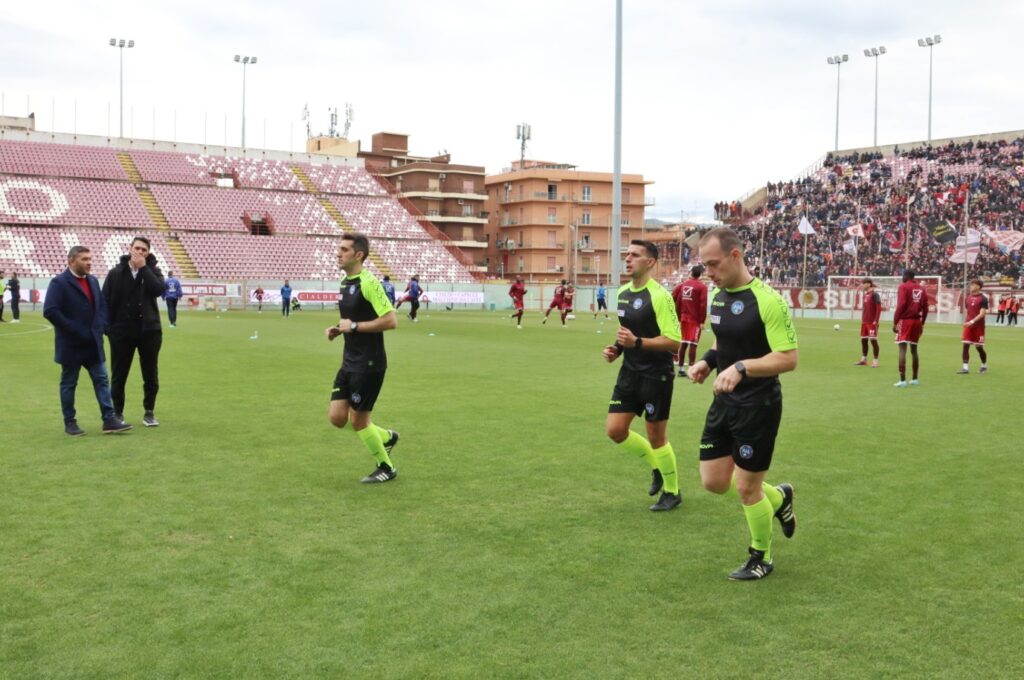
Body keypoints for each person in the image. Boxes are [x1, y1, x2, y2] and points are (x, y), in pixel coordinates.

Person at [686, 227, 798, 581]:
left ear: (735, 256)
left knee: (747, 488)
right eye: (704, 265)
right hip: (724, 402)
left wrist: (741, 367)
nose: (708, 272)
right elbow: (723, 340)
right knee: (714, 482)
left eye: (713, 264)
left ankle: (761, 557)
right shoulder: (718, 297)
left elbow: (788, 358)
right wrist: (707, 362)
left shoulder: (768, 301)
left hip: (758, 405)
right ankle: (779, 499)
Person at [603, 240, 683, 512]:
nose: (627, 259)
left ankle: (672, 492)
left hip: (656, 375)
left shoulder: (660, 296)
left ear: (650, 262)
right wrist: (617, 349)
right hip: (629, 372)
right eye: (627, 254)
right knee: (615, 430)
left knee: (656, 437)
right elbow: (626, 334)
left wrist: (636, 343)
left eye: (634, 255)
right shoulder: (622, 293)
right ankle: (657, 466)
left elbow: (674, 342)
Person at [326, 232, 401, 483]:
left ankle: (386, 467)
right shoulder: (344, 282)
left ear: (358, 255)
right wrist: (338, 329)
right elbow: (352, 320)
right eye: (339, 248)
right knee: (337, 418)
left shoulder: (369, 283)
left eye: (344, 250)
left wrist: (354, 327)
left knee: (359, 421)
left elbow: (391, 321)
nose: (338, 253)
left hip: (369, 363)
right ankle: (387, 437)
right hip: (349, 360)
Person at [42, 246, 132, 436]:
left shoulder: (92, 280)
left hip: (93, 343)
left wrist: (101, 325)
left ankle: (109, 419)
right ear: (71, 261)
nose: (89, 262)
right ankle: (70, 422)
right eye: (84, 259)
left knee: (102, 380)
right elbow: (50, 310)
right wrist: (74, 329)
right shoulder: (59, 282)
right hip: (71, 344)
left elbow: (102, 305)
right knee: (69, 383)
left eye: (90, 259)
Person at [102, 236, 166, 427]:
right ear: (130, 249)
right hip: (121, 332)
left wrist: (144, 268)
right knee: (119, 374)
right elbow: (105, 301)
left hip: (149, 331)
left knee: (150, 374)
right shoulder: (115, 273)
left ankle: (149, 412)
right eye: (137, 248)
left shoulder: (154, 271)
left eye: (144, 250)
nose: (140, 252)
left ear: (148, 253)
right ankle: (118, 413)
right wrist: (108, 328)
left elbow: (158, 290)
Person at [892, 270, 929, 388]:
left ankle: (902, 380)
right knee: (914, 350)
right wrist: (922, 323)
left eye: (902, 275)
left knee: (902, 349)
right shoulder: (922, 289)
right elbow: (926, 308)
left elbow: (901, 304)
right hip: (917, 321)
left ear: (906, 276)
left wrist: (895, 322)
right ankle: (915, 379)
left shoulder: (903, 287)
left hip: (905, 321)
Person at [672, 265, 708, 377]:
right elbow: (703, 305)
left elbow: (677, 300)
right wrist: (702, 321)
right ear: (701, 274)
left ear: (691, 273)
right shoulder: (702, 287)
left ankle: (681, 370)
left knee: (683, 343)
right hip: (695, 320)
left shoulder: (683, 285)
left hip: (683, 318)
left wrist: (678, 317)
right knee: (693, 344)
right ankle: (691, 369)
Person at [958, 279, 988, 374]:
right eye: (971, 285)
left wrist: (972, 321)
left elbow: (982, 314)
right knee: (965, 345)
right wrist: (968, 322)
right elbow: (969, 311)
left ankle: (984, 365)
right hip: (968, 326)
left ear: (978, 287)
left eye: (973, 285)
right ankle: (965, 368)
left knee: (979, 347)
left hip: (979, 327)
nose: (971, 286)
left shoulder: (983, 298)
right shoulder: (968, 297)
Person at [855, 278, 882, 367]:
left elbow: (879, 308)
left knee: (873, 341)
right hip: (865, 322)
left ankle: (875, 361)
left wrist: (876, 320)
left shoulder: (875, 295)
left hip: (872, 322)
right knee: (863, 340)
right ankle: (864, 360)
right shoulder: (866, 295)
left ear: (869, 284)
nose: (862, 285)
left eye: (863, 283)